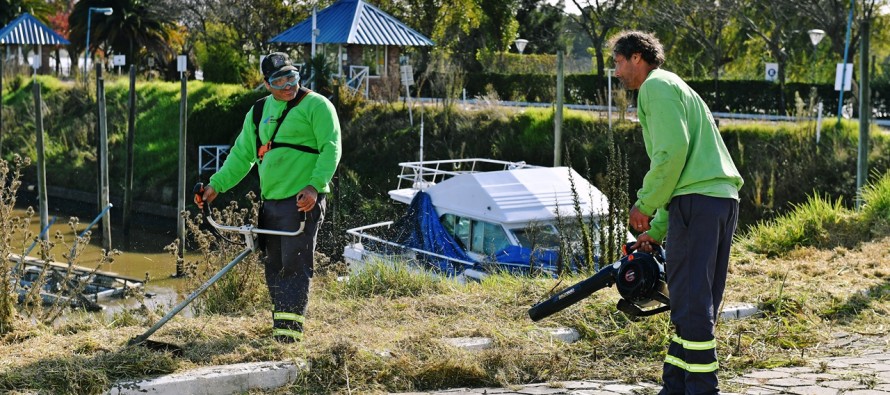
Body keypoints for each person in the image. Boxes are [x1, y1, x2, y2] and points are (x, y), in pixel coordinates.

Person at [610, 31, 744, 395]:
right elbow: (680, 170)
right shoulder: (676, 87)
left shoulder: (655, 87)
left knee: (693, 302)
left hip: (697, 201)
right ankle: (675, 386)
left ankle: (702, 389)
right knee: (691, 298)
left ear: (638, 57)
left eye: (619, 62)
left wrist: (644, 205)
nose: (617, 71)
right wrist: (656, 230)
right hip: (717, 199)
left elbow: (671, 154)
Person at [199, 52, 342, 343]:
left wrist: (315, 186)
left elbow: (331, 148)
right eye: (279, 80)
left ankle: (288, 340)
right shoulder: (257, 112)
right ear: (266, 84)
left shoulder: (317, 106)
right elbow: (241, 155)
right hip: (271, 203)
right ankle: (281, 330)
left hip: (303, 201)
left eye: (292, 76)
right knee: (274, 266)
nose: (288, 85)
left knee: (295, 265)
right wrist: (215, 187)